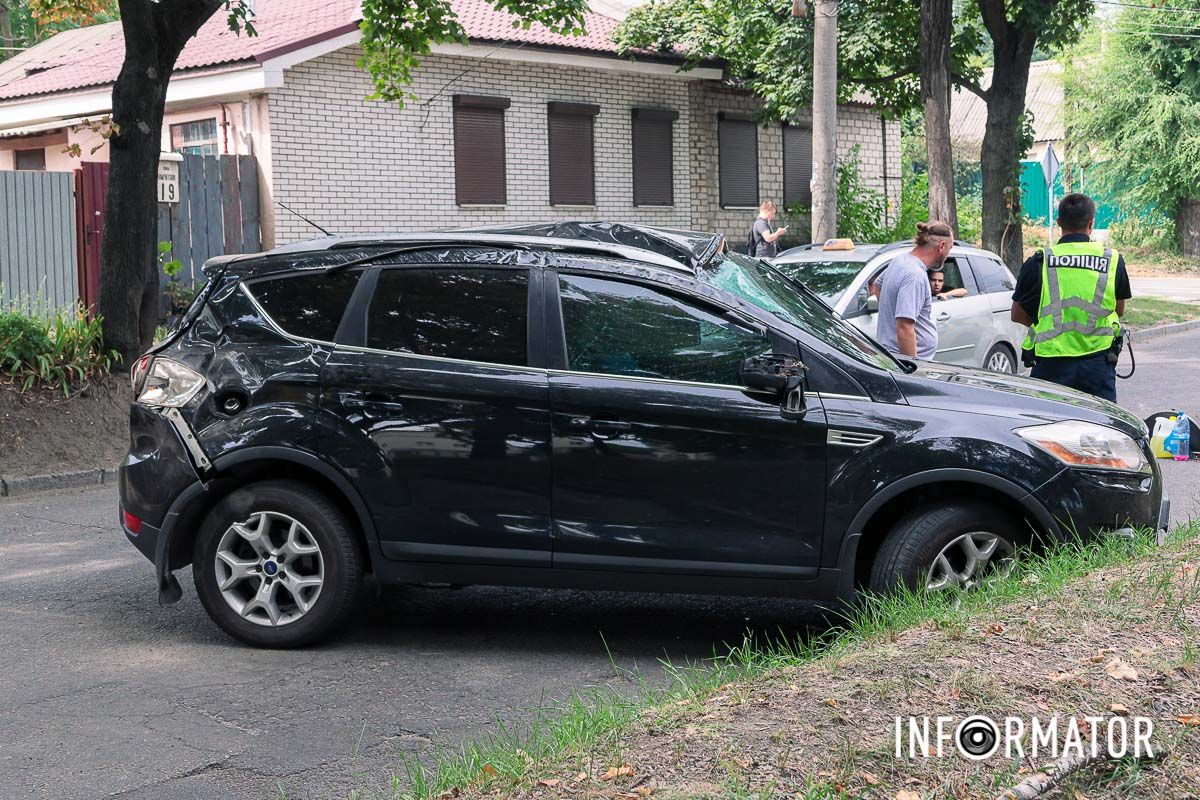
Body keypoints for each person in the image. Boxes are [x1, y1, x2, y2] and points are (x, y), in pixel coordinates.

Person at [1011, 193, 1131, 402]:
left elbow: (1017, 314)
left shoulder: (1040, 261)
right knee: (1101, 429)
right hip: (1097, 364)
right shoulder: (1111, 260)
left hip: (1051, 366)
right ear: (1091, 223)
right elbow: (1118, 310)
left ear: (1059, 223)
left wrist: (1049, 323)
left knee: (1048, 429)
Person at [876, 221, 953, 360]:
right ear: (942, 246)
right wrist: (913, 371)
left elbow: (877, 285)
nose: (948, 254)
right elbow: (905, 328)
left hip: (892, 356)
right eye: (950, 248)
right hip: (905, 362)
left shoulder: (900, 261)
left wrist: (890, 316)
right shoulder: (915, 276)